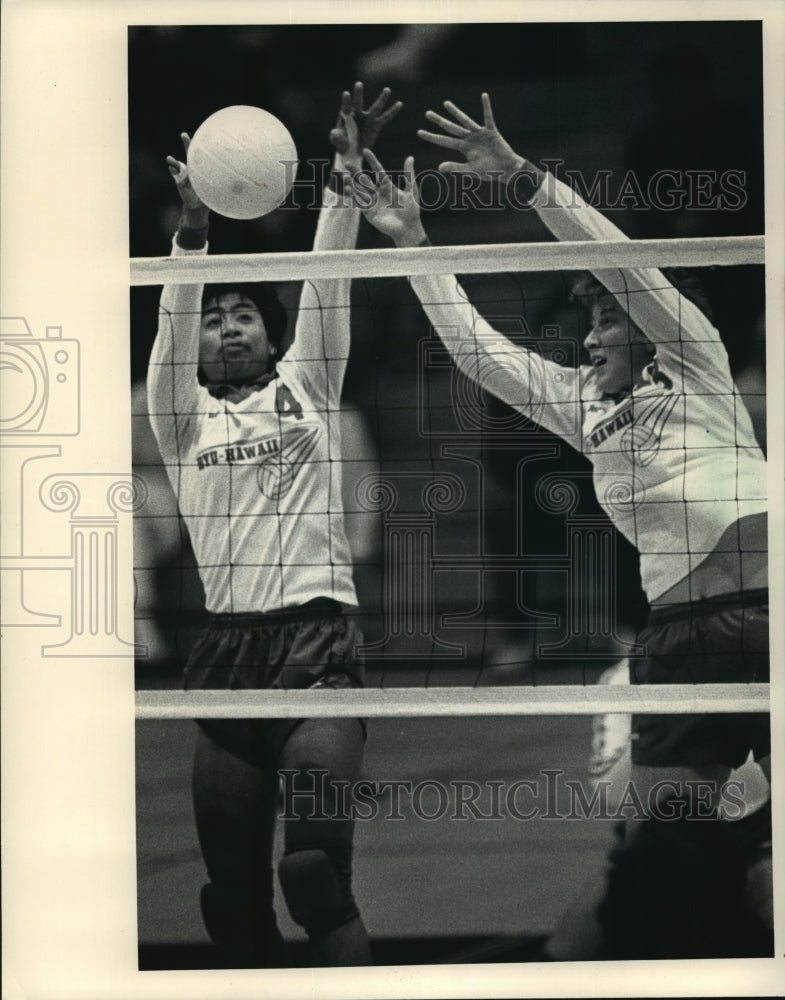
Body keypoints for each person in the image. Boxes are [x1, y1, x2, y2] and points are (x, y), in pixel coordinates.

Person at [353, 92, 771, 958]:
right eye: (582, 321)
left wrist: (526, 180)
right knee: (668, 854)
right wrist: (409, 242)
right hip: (682, 646)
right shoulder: (584, 407)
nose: (587, 336)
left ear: (645, 329)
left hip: (772, 608)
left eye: (604, 318)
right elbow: (475, 352)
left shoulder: (693, 358)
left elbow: (620, 265)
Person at [146, 82, 401, 969]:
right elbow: (171, 329)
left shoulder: (311, 391)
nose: (226, 327)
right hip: (225, 661)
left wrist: (340, 180)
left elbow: (329, 279)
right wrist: (190, 235)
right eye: (214, 319)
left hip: (315, 654)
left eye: (243, 313)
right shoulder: (180, 423)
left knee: (313, 876)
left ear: (271, 330)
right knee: (231, 897)